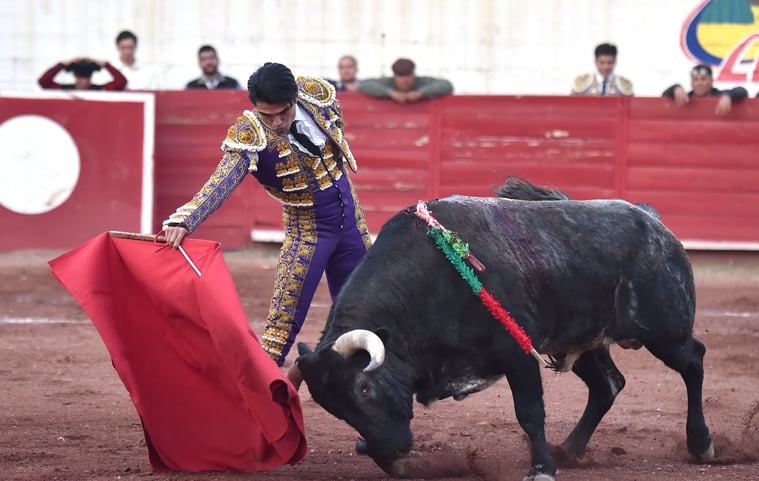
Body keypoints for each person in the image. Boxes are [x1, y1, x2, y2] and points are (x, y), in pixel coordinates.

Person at [162, 62, 371, 370]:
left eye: (283, 113)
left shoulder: (317, 95)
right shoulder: (251, 134)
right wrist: (186, 218)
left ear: (296, 98)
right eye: (266, 115)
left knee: (364, 314)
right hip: (309, 233)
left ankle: (359, 390)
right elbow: (223, 179)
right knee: (280, 328)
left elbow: (335, 138)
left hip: (352, 224)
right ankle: (256, 401)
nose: (276, 122)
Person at [662, 64, 747, 115]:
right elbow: (663, 97)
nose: (699, 83)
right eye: (695, 80)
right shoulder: (687, 97)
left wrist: (728, 96)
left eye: (703, 79)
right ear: (691, 82)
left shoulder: (719, 95)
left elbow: (742, 91)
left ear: (711, 81)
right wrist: (675, 88)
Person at [357, 57, 453, 102]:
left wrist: (421, 93)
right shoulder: (389, 82)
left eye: (408, 75)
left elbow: (446, 85)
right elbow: (364, 85)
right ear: (395, 76)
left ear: (413, 75)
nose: (404, 80)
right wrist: (390, 93)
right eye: (400, 76)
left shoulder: (420, 81)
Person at [38, 57, 127, 91]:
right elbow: (43, 82)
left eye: (87, 77)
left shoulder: (99, 90)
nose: (84, 81)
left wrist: (106, 64)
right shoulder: (64, 90)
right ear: (75, 77)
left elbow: (121, 83)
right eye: (80, 77)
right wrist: (61, 64)